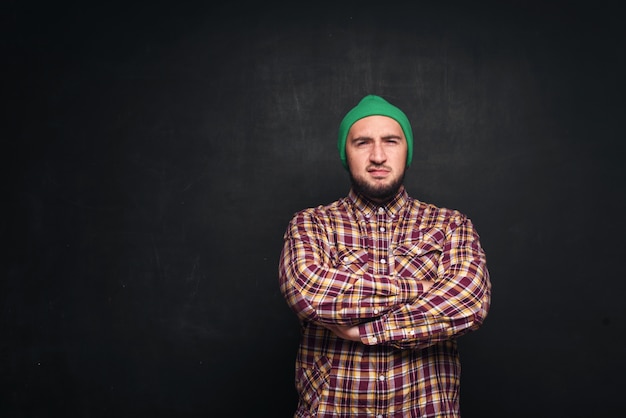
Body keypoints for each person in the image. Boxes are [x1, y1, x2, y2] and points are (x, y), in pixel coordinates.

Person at [278, 94, 491, 417]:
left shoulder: (451, 225)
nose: (378, 155)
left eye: (390, 141)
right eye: (362, 143)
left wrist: (367, 332)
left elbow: (469, 302)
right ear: (344, 154)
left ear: (407, 152)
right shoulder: (311, 224)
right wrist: (422, 289)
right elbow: (309, 292)